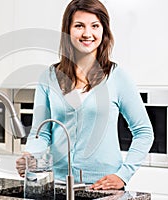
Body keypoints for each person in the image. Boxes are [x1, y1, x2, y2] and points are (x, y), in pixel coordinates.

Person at [16, 0, 154, 190]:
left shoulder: (117, 76)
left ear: (103, 31)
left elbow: (144, 132)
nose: (87, 33)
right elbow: (41, 132)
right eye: (79, 25)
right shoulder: (49, 77)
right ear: (68, 30)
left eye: (95, 26)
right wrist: (30, 156)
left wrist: (123, 175)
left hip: (103, 187)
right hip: (58, 184)